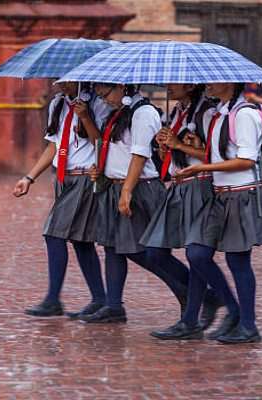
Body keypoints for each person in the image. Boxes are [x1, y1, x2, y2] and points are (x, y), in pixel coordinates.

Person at [80, 83, 195, 324]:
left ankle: (192, 290)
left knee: (143, 251)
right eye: (99, 94)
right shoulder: (118, 112)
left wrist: (127, 191)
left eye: (106, 93)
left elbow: (139, 155)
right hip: (115, 185)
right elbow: (111, 148)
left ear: (122, 87)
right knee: (113, 246)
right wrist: (101, 170)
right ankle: (113, 305)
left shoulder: (143, 113)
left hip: (140, 188)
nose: (104, 99)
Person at [169, 82, 262, 344]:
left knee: (238, 260)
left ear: (228, 83)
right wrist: (186, 147)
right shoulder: (220, 114)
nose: (208, 85)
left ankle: (248, 326)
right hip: (220, 193)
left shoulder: (244, 114)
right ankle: (233, 310)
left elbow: (246, 160)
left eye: (213, 81)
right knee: (197, 252)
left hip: (242, 192)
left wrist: (199, 168)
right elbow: (215, 154)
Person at [13, 82, 109, 319]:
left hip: (86, 176)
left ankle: (53, 299)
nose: (58, 82)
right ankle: (100, 299)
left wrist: (85, 117)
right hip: (64, 178)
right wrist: (30, 177)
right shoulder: (58, 104)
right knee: (81, 241)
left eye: (65, 78)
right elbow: (54, 145)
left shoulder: (96, 103)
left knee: (54, 234)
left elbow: (101, 142)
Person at [141, 84, 224, 338]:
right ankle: (208, 298)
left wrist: (179, 145)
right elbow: (178, 150)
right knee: (154, 251)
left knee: (194, 252)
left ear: (189, 86)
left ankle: (190, 320)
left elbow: (216, 156)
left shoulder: (207, 113)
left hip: (200, 185)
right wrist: (166, 146)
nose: (168, 87)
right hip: (178, 187)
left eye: (173, 84)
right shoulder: (179, 112)